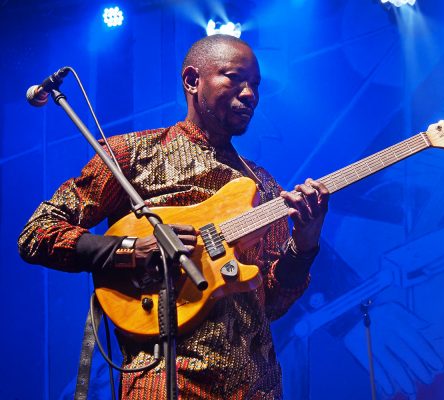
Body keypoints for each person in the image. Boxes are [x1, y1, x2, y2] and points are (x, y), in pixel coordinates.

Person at [18, 34, 329, 399]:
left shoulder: (263, 186)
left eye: (255, 85)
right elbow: (38, 233)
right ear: (193, 81)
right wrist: (131, 249)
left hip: (256, 386)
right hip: (164, 379)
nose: (249, 94)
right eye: (234, 77)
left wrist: (304, 244)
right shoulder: (132, 155)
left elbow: (272, 303)